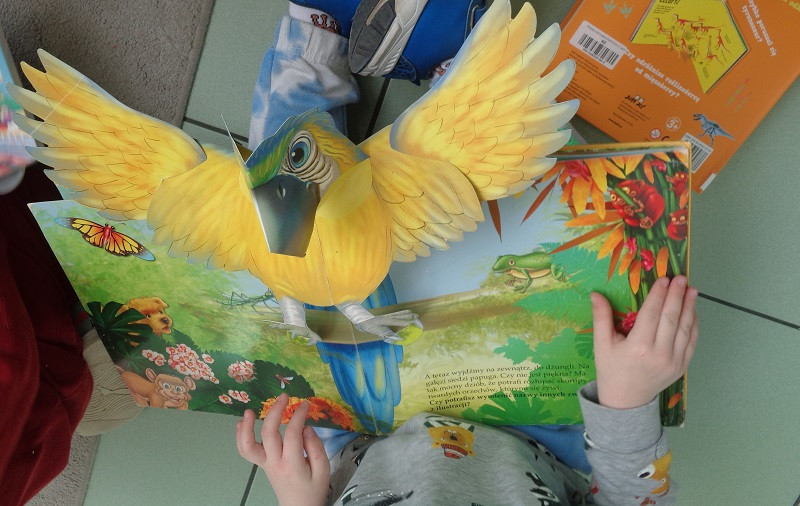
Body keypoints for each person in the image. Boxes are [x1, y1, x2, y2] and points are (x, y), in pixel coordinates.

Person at [238, 1, 698, 504]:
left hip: (359, 429)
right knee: (553, 185)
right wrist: (627, 404)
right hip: (541, 429)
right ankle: (464, 68)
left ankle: (318, 32)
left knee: (275, 219)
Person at [236, 276, 698, 505]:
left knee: (286, 251)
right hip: (540, 437)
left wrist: (301, 501)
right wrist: (626, 404)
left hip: (357, 441)